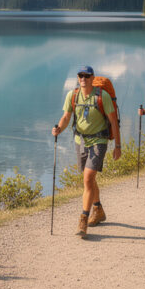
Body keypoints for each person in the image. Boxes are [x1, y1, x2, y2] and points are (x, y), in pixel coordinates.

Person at [52, 65, 121, 238]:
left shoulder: (102, 96)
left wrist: (118, 146)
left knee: (88, 178)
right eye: (80, 75)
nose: (83, 78)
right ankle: (98, 209)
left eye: (87, 75)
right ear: (78, 78)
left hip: (99, 141)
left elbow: (113, 121)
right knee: (88, 180)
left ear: (92, 78)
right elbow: (67, 117)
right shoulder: (72, 95)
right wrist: (59, 128)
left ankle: (83, 219)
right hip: (80, 141)